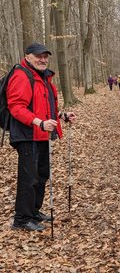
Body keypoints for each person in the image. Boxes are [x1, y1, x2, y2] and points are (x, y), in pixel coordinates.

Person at [6, 42, 77, 232]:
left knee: (41, 175)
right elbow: (16, 107)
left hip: (42, 134)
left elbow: (44, 107)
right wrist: (39, 122)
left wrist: (61, 116)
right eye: (39, 56)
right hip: (27, 134)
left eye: (45, 56)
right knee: (28, 178)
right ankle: (21, 219)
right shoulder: (21, 76)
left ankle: (34, 212)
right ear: (28, 56)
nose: (43, 60)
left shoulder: (43, 77)